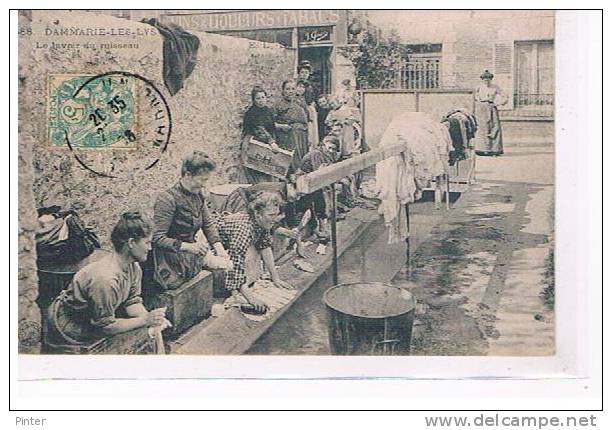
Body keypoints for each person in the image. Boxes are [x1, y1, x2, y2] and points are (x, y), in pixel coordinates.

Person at [46, 212, 168, 348]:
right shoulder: (106, 279)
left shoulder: (133, 266)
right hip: (73, 325)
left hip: (96, 316)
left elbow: (132, 301)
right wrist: (144, 320)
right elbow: (105, 326)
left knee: (149, 331)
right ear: (132, 243)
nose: (150, 248)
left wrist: (152, 319)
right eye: (147, 243)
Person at [151, 152, 231, 290]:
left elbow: (208, 223)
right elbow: (157, 238)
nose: (204, 185)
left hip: (190, 255)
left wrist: (219, 248)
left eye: (206, 180)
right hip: (170, 261)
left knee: (226, 265)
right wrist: (189, 247)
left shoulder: (198, 195)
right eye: (202, 180)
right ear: (187, 175)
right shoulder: (167, 199)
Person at [217, 192, 294, 312]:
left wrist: (275, 277)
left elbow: (265, 246)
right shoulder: (243, 230)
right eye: (271, 215)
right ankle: (234, 293)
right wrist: (251, 299)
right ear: (258, 214)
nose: (275, 219)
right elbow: (235, 266)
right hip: (213, 248)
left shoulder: (262, 223)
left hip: (231, 247)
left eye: (276, 214)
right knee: (247, 256)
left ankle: (243, 289)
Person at [298, 135, 343, 240]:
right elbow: (319, 173)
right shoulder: (317, 154)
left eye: (333, 149)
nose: (331, 151)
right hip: (303, 181)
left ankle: (322, 228)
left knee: (320, 201)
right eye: (329, 148)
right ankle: (317, 230)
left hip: (313, 181)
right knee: (314, 202)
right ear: (323, 145)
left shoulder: (327, 154)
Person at [274, 79, 310, 175]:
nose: (290, 91)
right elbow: (270, 123)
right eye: (288, 89)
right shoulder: (278, 105)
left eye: (293, 89)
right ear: (283, 91)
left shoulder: (300, 103)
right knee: (289, 164)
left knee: (302, 162)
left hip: (301, 138)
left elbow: (307, 122)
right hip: (286, 138)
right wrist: (282, 126)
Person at [473, 70, 507, 156]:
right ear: (482, 80)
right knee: (482, 128)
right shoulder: (478, 87)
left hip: (491, 108)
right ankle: (482, 149)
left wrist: (499, 103)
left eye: (488, 79)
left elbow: (505, 96)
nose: (487, 81)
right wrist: (478, 103)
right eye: (485, 79)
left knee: (494, 127)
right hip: (481, 109)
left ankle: (495, 149)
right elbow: (473, 97)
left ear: (491, 79)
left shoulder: (495, 87)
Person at [296, 80, 319, 148]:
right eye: (299, 86)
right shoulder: (294, 99)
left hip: (307, 123)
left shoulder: (306, 101)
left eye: (303, 87)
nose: (301, 89)